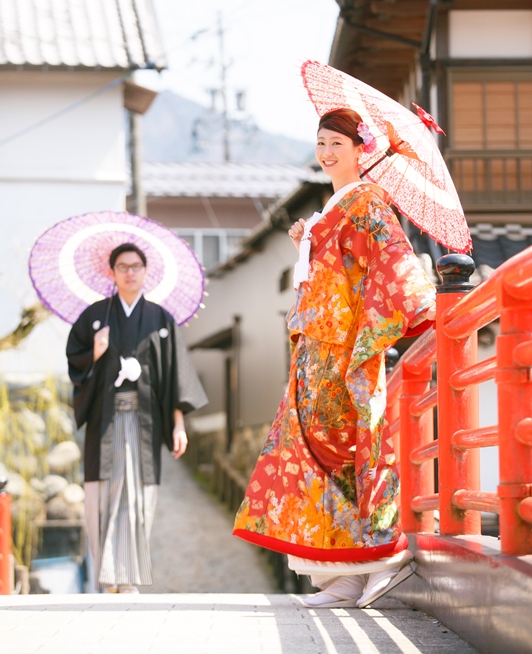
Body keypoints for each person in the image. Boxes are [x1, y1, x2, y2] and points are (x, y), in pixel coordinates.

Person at [233, 108, 436, 608]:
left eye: (336, 145)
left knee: (351, 450)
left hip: (344, 347)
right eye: (321, 143)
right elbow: (331, 273)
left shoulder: (368, 201)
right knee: (314, 455)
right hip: (312, 347)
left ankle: (383, 558)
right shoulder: (334, 206)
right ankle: (339, 573)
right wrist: (310, 242)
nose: (326, 153)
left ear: (361, 150)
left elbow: (390, 261)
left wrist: (393, 318)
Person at [66, 242, 208, 593]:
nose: (130, 272)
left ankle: (126, 577)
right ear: (111, 273)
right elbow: (75, 361)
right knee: (106, 494)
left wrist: (178, 424)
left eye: (136, 266)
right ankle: (108, 576)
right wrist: (96, 351)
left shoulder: (160, 319)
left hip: (144, 421)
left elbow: (175, 374)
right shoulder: (95, 316)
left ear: (146, 272)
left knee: (139, 496)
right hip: (106, 420)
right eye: (123, 266)